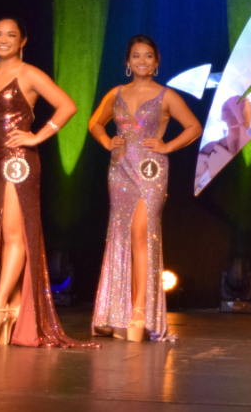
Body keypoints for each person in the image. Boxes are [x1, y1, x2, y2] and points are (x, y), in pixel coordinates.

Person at [0, 18, 93, 347]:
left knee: (13, 235)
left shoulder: (29, 74)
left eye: (11, 35)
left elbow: (68, 106)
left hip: (17, 162)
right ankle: (9, 306)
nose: (3, 39)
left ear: (23, 40)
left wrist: (38, 136)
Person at [89, 35, 201, 342]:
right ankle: (116, 313)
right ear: (127, 62)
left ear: (157, 61)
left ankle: (140, 310)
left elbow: (194, 127)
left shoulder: (166, 96)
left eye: (148, 56)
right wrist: (106, 141)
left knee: (142, 234)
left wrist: (167, 146)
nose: (142, 61)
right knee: (121, 235)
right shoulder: (116, 93)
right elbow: (95, 123)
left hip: (151, 171)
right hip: (120, 171)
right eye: (136, 56)